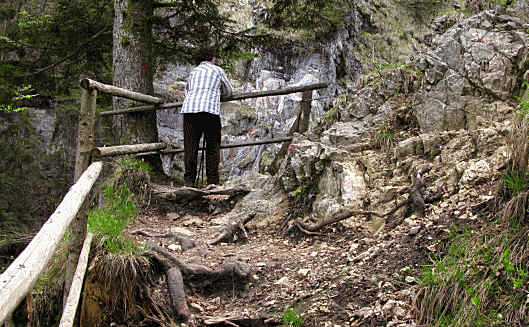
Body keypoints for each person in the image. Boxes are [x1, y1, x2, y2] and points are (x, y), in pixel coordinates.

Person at [180, 47, 233, 187]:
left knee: (190, 147)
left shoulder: (193, 72)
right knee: (212, 147)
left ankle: (189, 181)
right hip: (209, 111)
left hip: (190, 110)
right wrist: (217, 94)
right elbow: (229, 91)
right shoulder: (217, 70)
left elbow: (186, 92)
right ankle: (212, 182)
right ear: (212, 58)